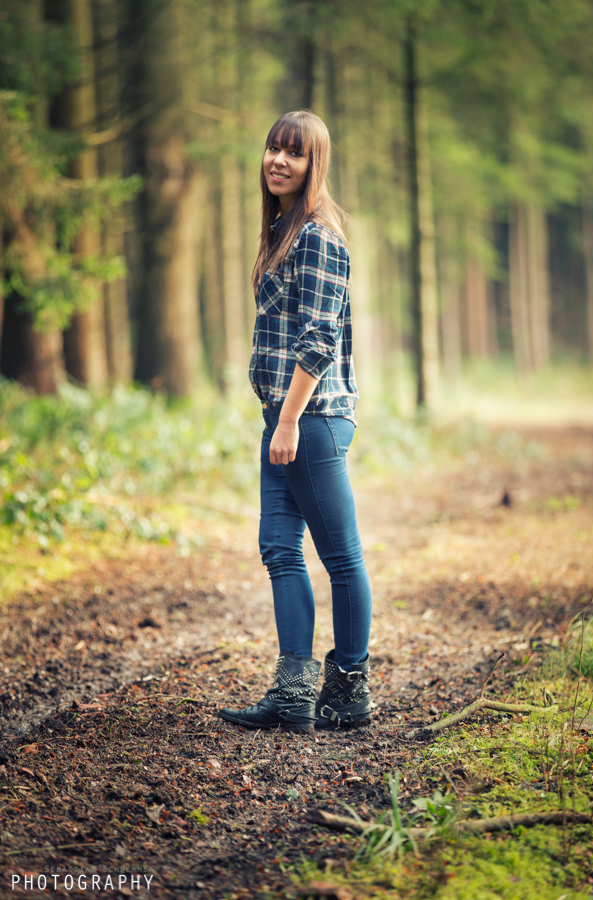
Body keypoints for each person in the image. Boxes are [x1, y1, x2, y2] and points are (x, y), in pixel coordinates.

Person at [218, 110, 374, 733]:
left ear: (315, 165)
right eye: (273, 149)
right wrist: (276, 420)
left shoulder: (317, 235)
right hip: (282, 419)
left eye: (295, 154)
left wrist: (286, 423)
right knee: (280, 551)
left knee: (340, 558)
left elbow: (318, 340)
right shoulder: (283, 229)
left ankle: (350, 690)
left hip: (309, 421)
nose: (278, 161)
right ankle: (293, 695)